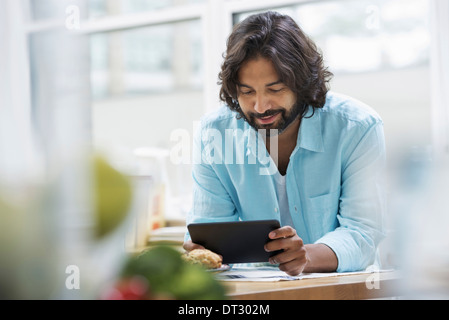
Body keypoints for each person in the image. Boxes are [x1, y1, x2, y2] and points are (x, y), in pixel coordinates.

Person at [183, 11, 386, 276]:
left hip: (342, 291)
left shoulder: (357, 128)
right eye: (247, 92)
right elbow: (211, 230)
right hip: (259, 293)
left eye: (275, 90)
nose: (260, 106)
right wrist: (204, 251)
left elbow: (364, 233)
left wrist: (306, 257)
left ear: (302, 83)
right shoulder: (215, 134)